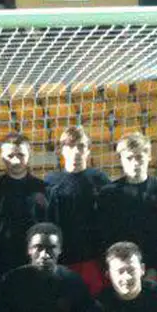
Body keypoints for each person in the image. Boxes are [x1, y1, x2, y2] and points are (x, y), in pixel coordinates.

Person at [98, 133, 157, 291]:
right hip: (121, 274)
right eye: (129, 158)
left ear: (149, 156)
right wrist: (117, 268)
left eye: (139, 157)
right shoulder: (108, 195)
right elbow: (103, 236)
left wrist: (156, 270)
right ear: (120, 159)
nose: (135, 163)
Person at [45, 125, 111, 295]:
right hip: (64, 260)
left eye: (81, 146)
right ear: (61, 150)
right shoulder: (51, 182)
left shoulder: (100, 180)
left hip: (94, 260)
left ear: (88, 150)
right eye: (70, 146)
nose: (76, 151)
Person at [0, 134, 49, 275]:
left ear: (29, 155)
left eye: (21, 155)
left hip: (35, 264)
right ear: (2, 157)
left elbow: (51, 228)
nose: (15, 161)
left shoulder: (44, 190)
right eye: (10, 156)